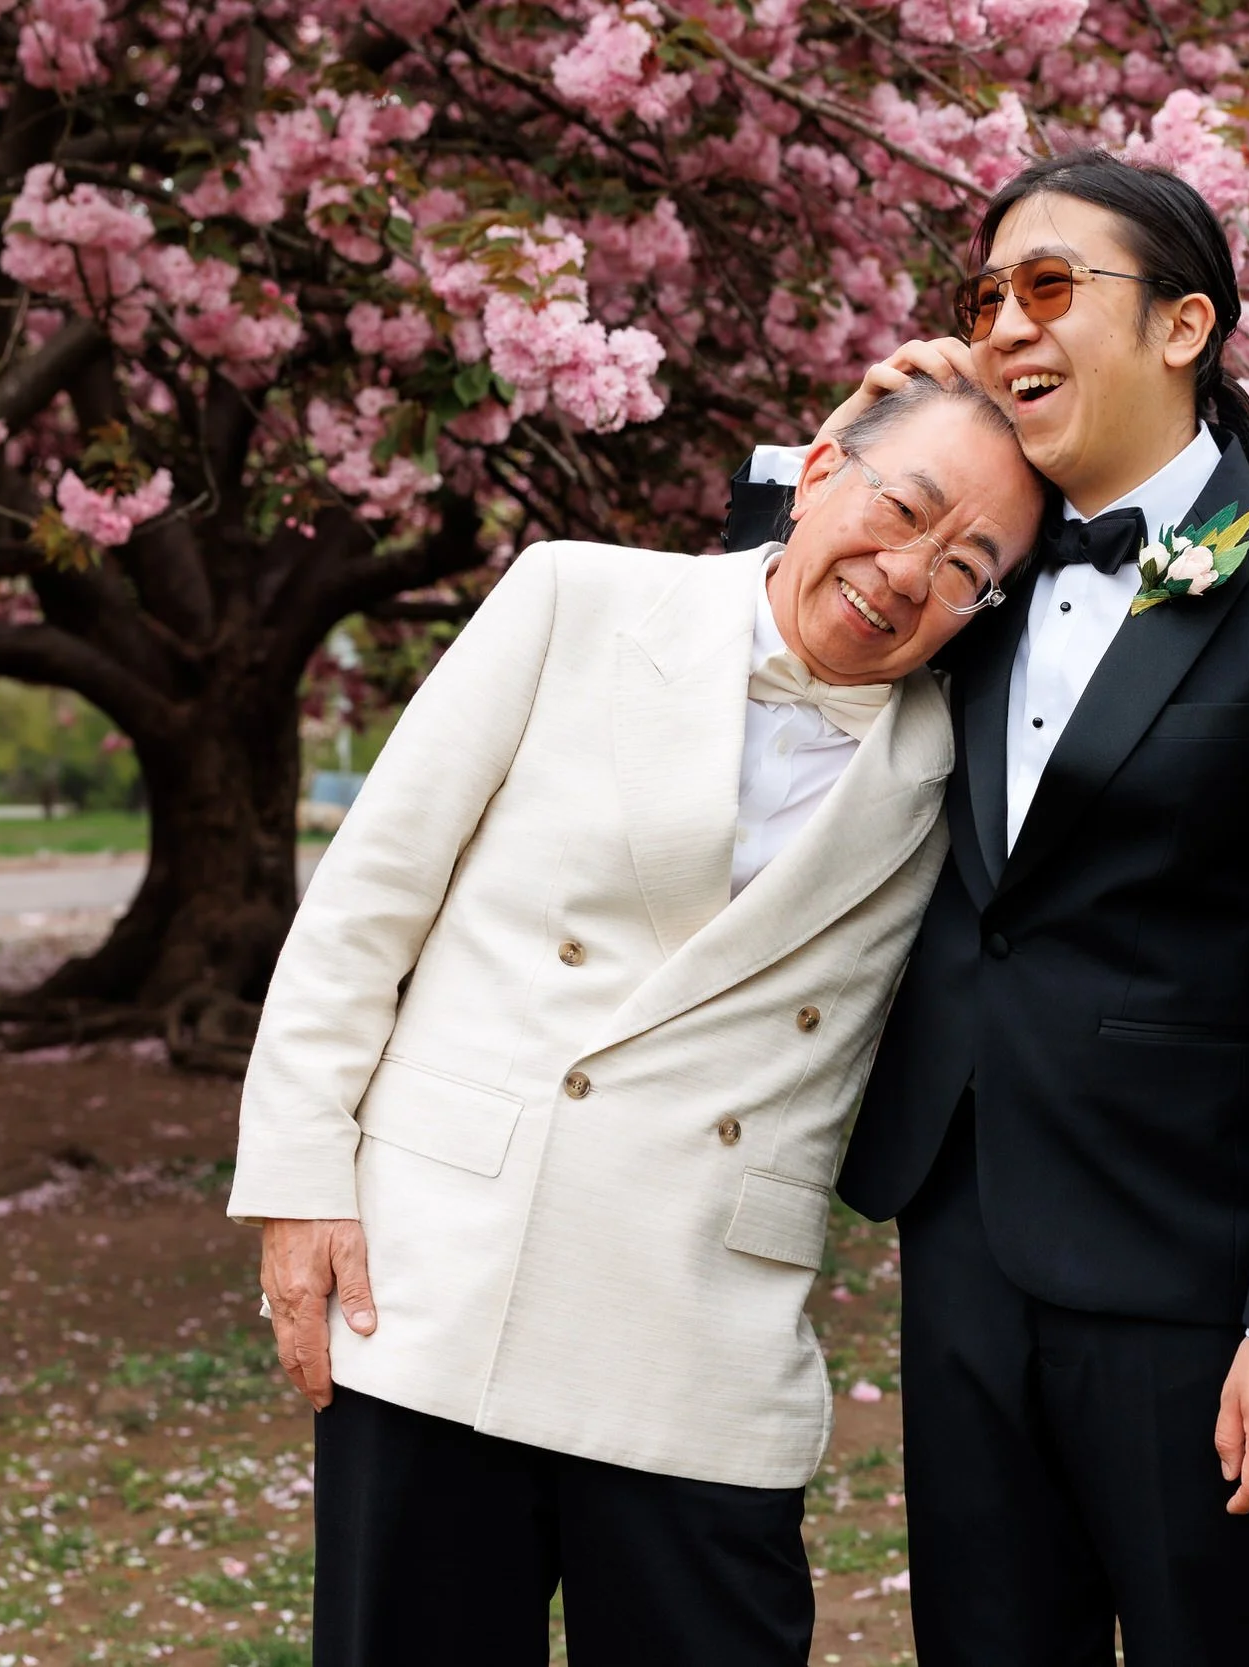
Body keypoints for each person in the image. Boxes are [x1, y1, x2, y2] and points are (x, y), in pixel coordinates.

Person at [729, 149, 1249, 1664]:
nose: (1008, 330)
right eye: (987, 299)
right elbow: (780, 628)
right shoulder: (967, 563)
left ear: (1184, 326)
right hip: (962, 1235)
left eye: (1051, 287)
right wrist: (854, 433)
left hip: (1185, 1274)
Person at [228, 373, 1043, 1666]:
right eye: (903, 507)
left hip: (706, 1331)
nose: (904, 573)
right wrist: (300, 1181)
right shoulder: (576, 597)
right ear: (817, 467)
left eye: (965, 567)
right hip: (444, 1279)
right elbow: (365, 904)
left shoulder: (961, 754)